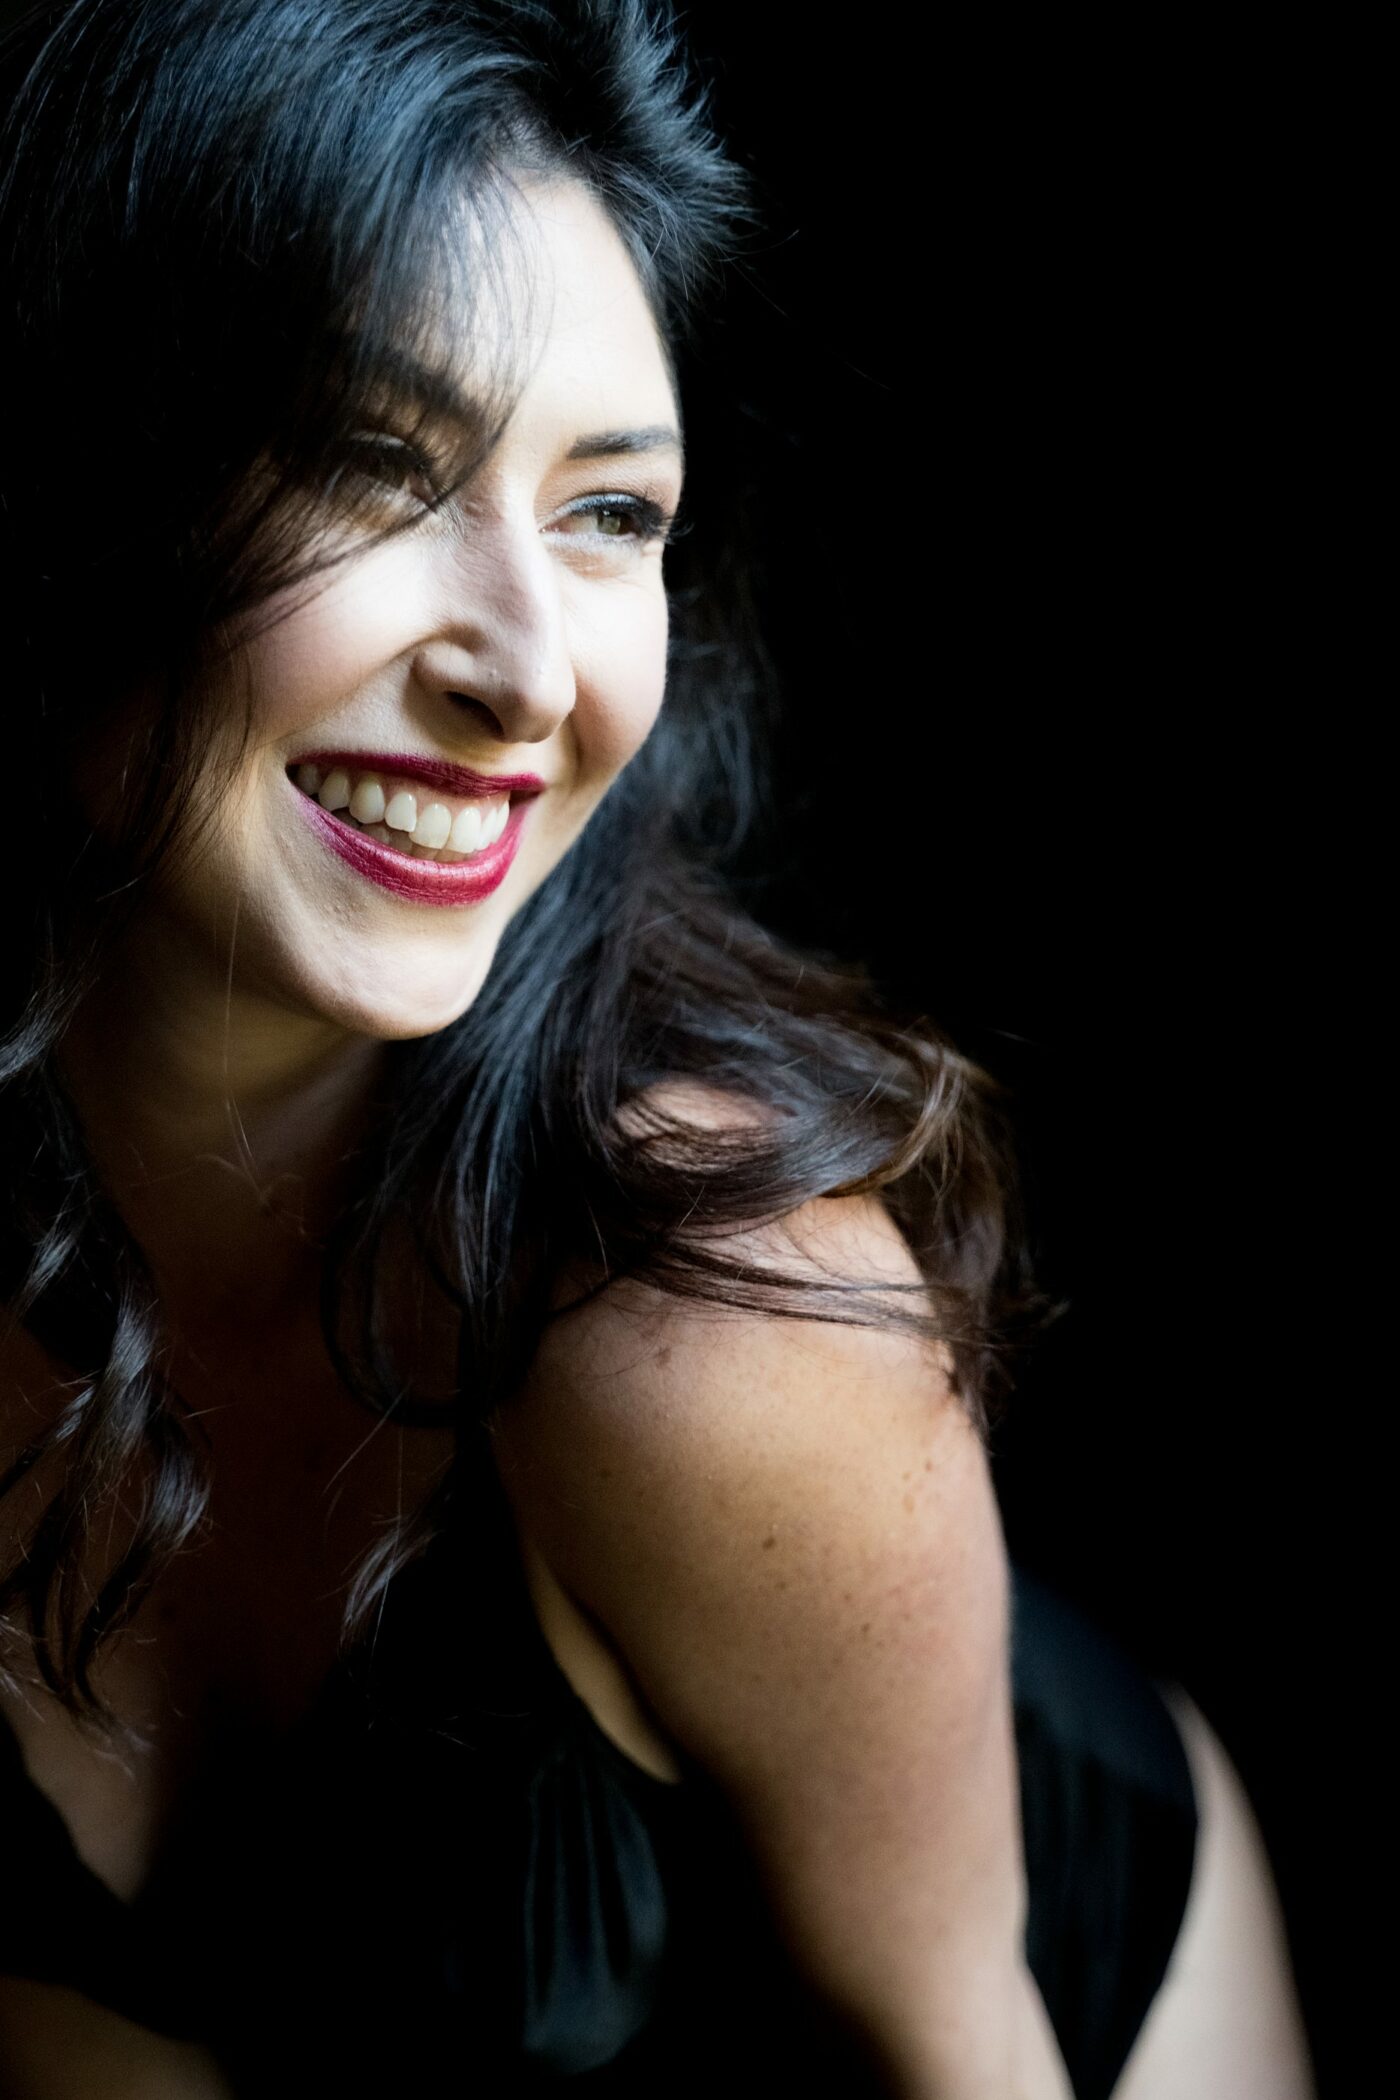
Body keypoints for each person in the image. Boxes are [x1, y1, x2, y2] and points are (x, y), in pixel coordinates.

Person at [0, 3, 1314, 2094]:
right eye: (371, 462)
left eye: (612, 513)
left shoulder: (706, 1318)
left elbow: (944, 2048)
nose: (531, 676)